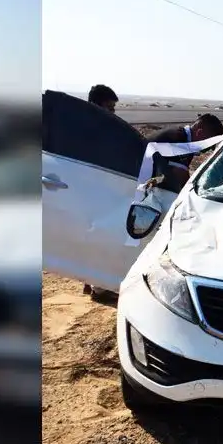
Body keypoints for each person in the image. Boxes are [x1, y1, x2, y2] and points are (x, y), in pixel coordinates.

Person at [82, 84, 120, 296]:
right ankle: (99, 285)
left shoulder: (97, 127)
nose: (113, 112)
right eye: (110, 107)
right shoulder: (90, 130)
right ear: (96, 105)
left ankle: (90, 281)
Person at [145, 113, 223, 190]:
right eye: (209, 144)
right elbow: (182, 180)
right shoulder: (180, 141)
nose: (208, 149)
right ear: (199, 133)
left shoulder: (183, 136)